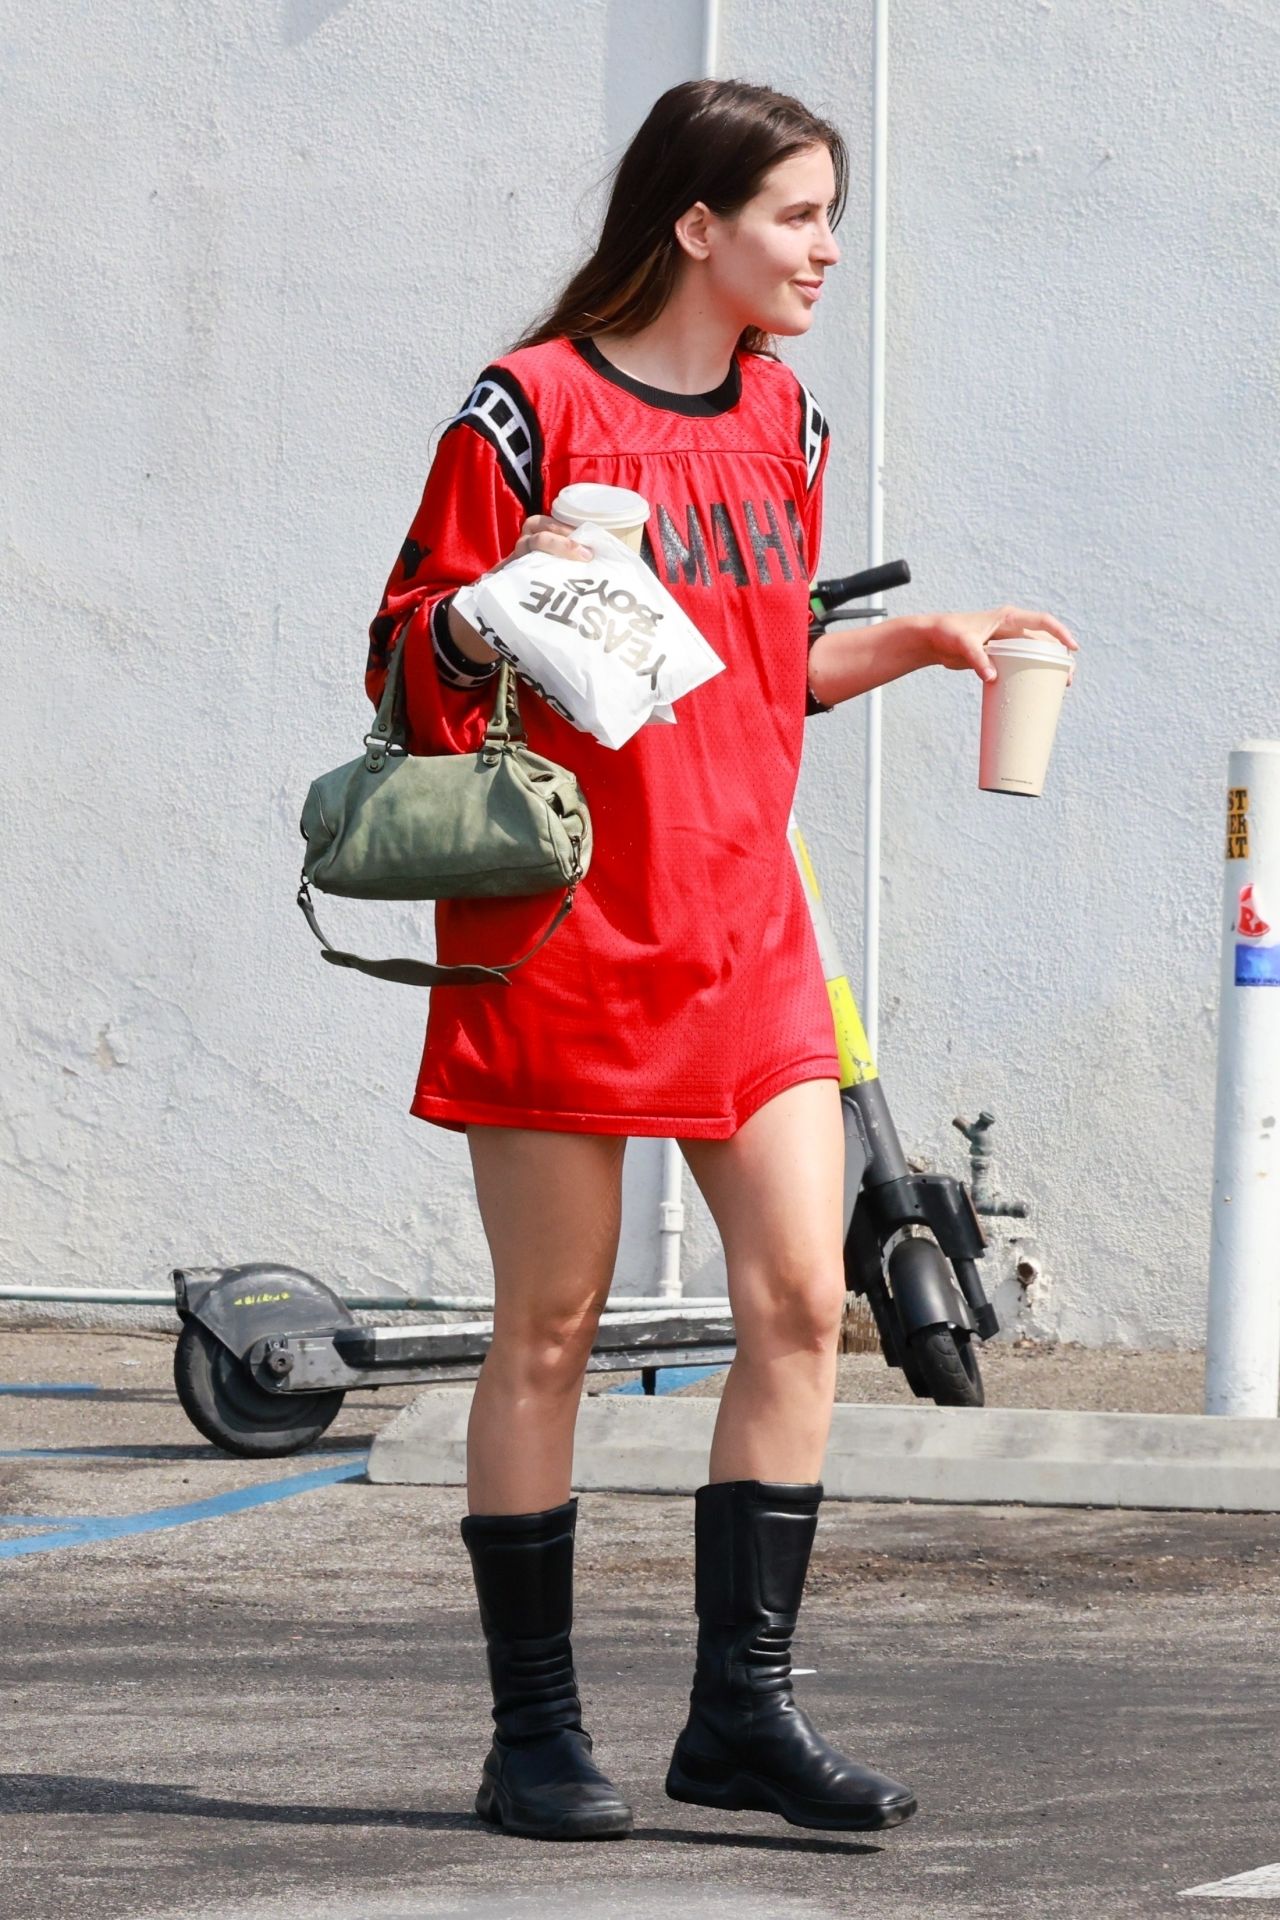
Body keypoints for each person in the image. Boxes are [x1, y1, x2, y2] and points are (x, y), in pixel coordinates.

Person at [366, 77, 1077, 1842]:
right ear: (697, 225)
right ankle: (534, 1739)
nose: (829, 250)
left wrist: (919, 638)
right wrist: (492, 601)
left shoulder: (785, 417)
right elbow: (401, 659)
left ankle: (738, 1719)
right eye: (799, 217)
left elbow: (751, 672)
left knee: (794, 1306)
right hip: (561, 923)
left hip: (748, 920)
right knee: (551, 1326)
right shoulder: (526, 410)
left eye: (833, 215)